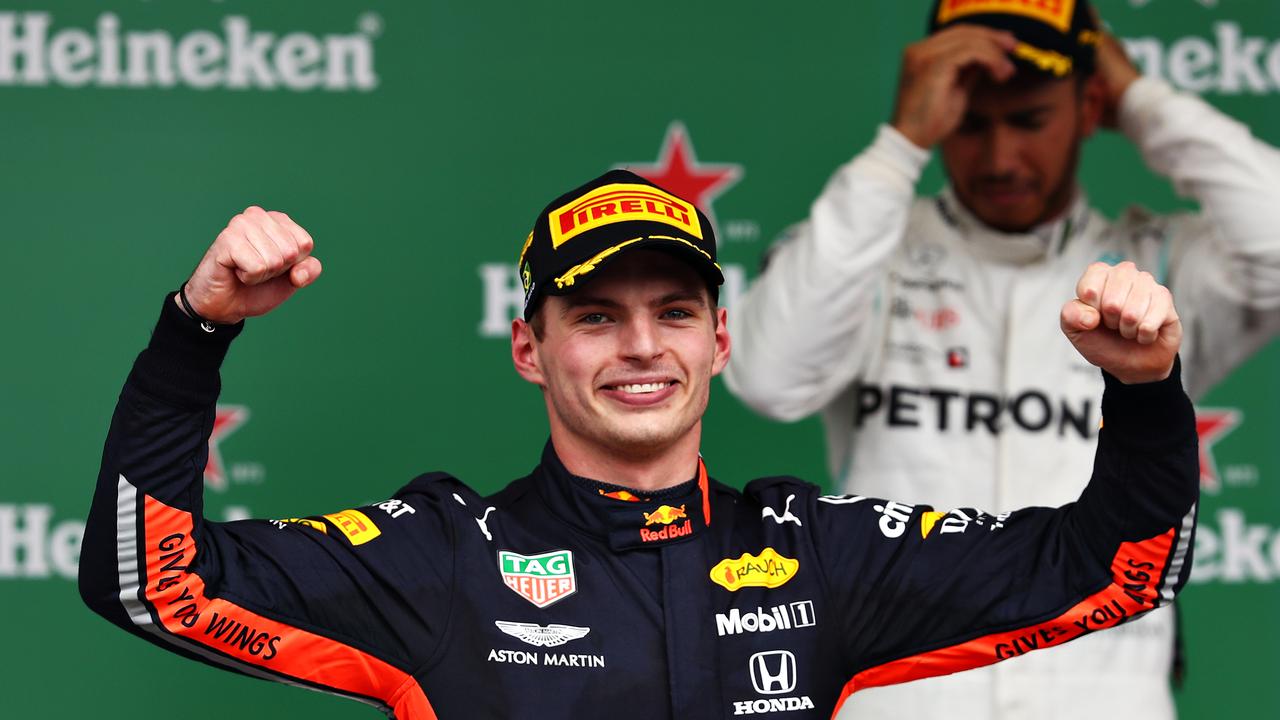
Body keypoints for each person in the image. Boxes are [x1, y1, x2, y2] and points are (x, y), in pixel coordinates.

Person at [81, 169, 1197, 719]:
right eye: (596, 316)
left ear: (718, 339)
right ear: (530, 348)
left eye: (670, 313)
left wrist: (1144, 392)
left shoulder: (816, 551)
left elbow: (1119, 568)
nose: (638, 349)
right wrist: (197, 330)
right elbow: (149, 585)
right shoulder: (442, 558)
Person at [722, 1, 1280, 718]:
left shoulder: (1157, 267)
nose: (999, 159)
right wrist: (899, 147)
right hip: (901, 697)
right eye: (971, 122)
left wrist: (1140, 98)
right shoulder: (867, 250)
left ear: (1088, 107)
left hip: (1103, 698)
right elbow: (766, 376)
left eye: (1028, 120)